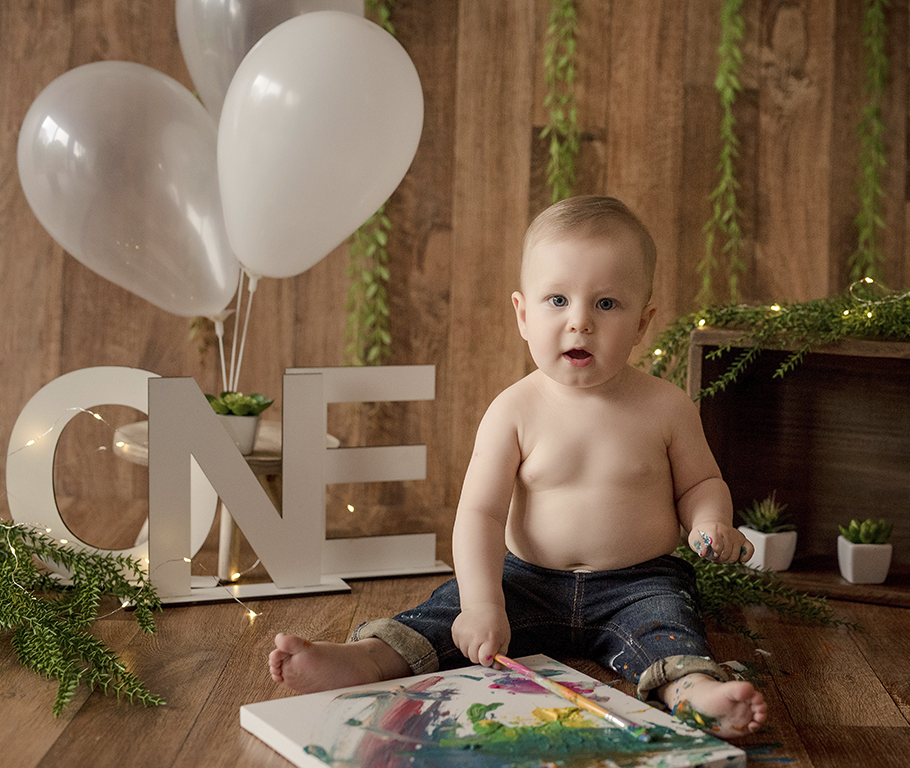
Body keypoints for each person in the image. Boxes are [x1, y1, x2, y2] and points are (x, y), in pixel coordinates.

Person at [269, 195, 766, 737]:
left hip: (638, 582)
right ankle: (366, 658)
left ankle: (697, 691)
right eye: (558, 300)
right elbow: (480, 514)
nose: (580, 322)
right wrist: (483, 603)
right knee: (447, 614)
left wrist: (710, 521)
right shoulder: (513, 410)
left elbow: (700, 483)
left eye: (606, 304)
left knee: (667, 628)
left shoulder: (666, 406)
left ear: (643, 322)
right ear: (523, 315)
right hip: (525, 580)